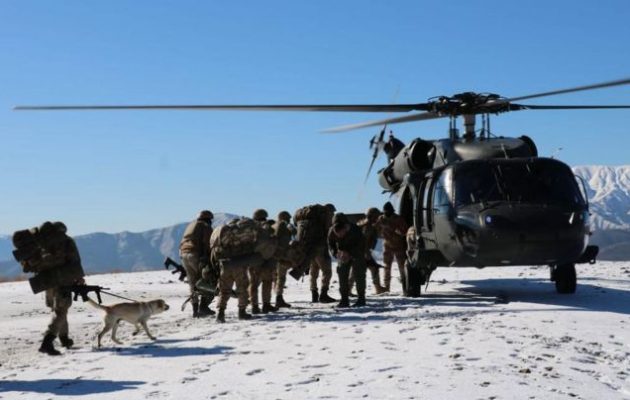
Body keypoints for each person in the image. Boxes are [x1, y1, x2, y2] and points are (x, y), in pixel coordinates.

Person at [39, 222, 84, 356]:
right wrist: (79, 277)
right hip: (63, 281)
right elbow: (74, 260)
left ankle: (64, 339)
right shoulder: (66, 241)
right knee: (61, 311)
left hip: (47, 281)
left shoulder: (43, 242)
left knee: (58, 310)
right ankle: (47, 343)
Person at [179, 210, 214, 318]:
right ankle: (203, 307)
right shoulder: (205, 226)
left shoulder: (191, 226)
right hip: (196, 255)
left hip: (184, 255)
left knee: (192, 283)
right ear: (208, 219)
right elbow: (208, 243)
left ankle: (195, 310)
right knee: (206, 280)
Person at [328, 213, 367, 308]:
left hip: (357, 254)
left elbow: (362, 245)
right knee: (342, 275)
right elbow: (331, 244)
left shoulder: (355, 230)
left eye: (341, 233)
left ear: (346, 227)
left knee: (359, 275)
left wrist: (349, 253)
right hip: (342, 255)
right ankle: (344, 300)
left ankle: (361, 299)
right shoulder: (331, 231)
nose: (340, 235)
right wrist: (336, 253)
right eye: (337, 234)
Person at [248, 209, 278, 314]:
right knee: (267, 282)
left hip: (254, 260)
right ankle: (266, 305)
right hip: (267, 259)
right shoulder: (267, 227)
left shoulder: (250, 228)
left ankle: (254, 306)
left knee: (253, 284)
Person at [377, 202, 409, 294]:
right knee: (386, 267)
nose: (387, 214)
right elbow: (377, 229)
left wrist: (394, 230)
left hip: (398, 245)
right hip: (387, 246)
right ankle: (386, 288)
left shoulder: (398, 219)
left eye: (388, 212)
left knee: (402, 267)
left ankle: (405, 286)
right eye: (385, 212)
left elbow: (404, 231)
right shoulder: (381, 219)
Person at [355, 207, 387, 294]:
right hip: (361, 252)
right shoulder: (367, 227)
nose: (378, 218)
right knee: (357, 271)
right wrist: (367, 253)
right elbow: (364, 241)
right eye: (376, 216)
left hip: (362, 251)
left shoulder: (368, 225)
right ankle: (347, 289)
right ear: (372, 216)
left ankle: (378, 288)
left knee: (373, 268)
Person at [273, 211, 296, 308]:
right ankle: (279, 298)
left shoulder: (273, 225)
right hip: (281, 256)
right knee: (281, 278)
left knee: (275, 277)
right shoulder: (283, 225)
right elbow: (293, 234)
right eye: (288, 218)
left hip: (273, 256)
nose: (289, 220)